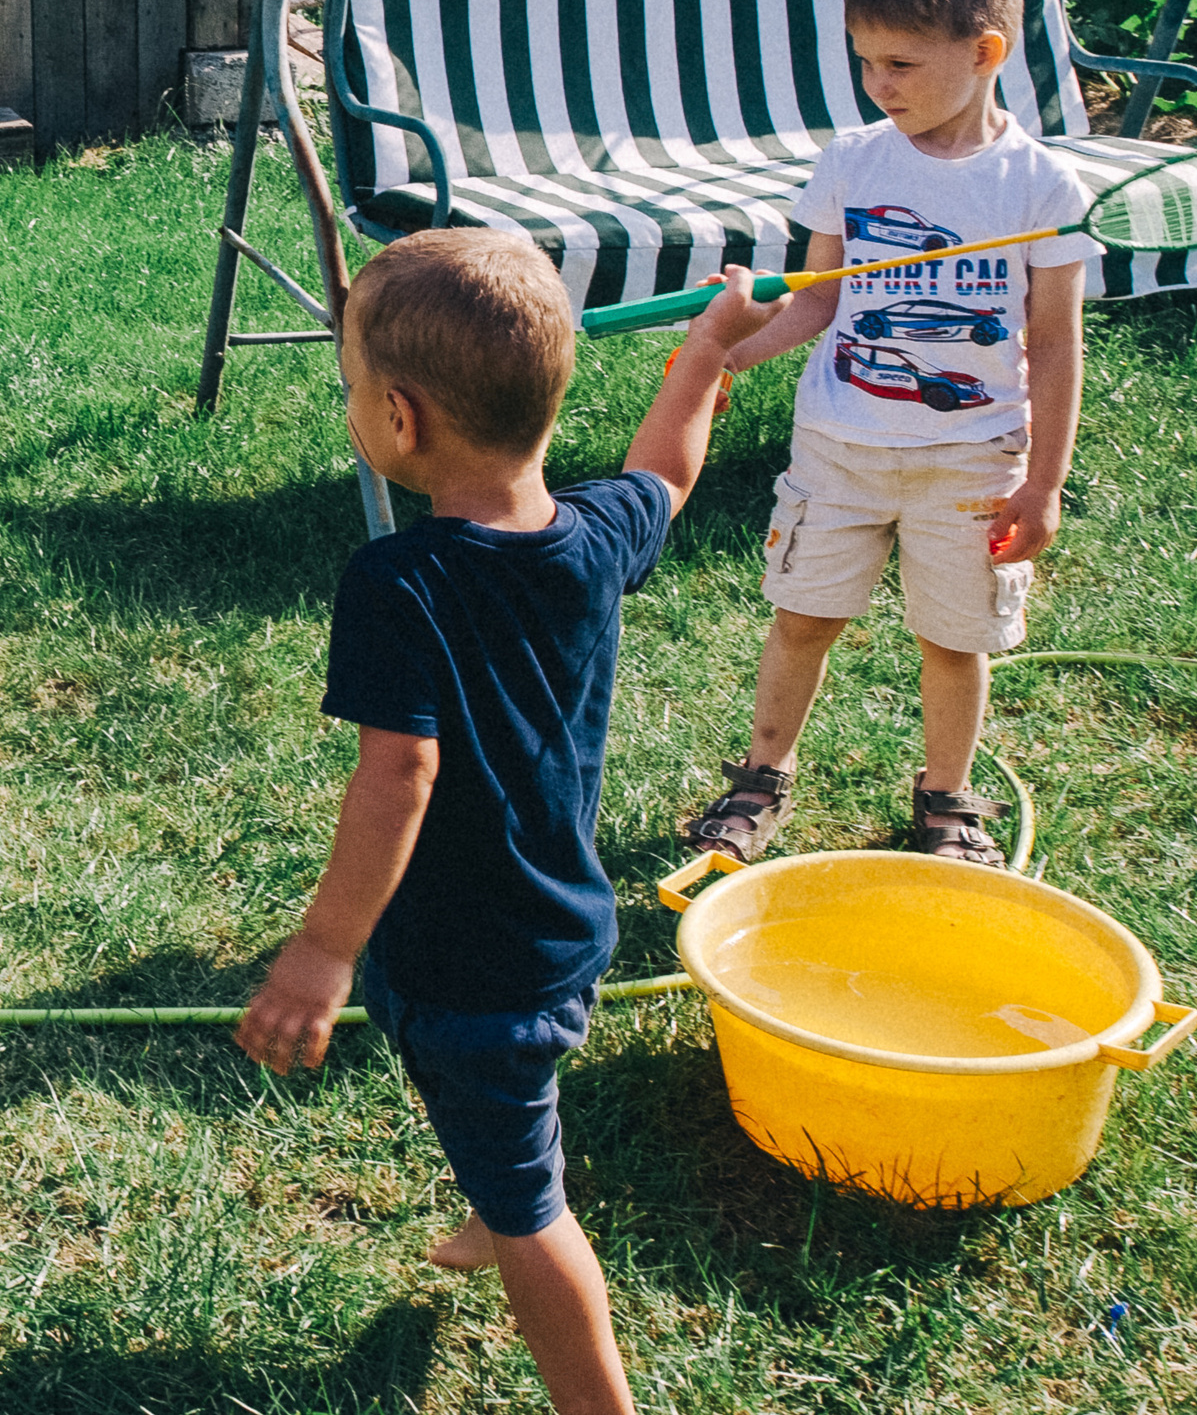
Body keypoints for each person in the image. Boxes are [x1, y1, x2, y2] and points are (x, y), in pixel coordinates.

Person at [235, 228, 786, 1415]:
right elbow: (668, 476)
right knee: (502, 1127)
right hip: (556, 930)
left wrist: (324, 946)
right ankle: (500, 1202)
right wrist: (701, 355)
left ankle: (557, 1312)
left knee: (539, 1207)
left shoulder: (400, 581)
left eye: (347, 389)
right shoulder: (587, 540)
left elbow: (400, 772)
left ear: (400, 415)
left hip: (470, 961)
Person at [681, 0, 1092, 867]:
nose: (878, 84)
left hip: (973, 458)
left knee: (955, 640)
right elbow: (817, 304)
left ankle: (947, 800)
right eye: (867, 62)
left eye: (901, 63)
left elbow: (1055, 343)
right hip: (839, 447)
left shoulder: (1040, 185)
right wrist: (727, 352)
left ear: (984, 53)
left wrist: (1044, 484)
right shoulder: (852, 163)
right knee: (803, 619)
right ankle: (762, 778)